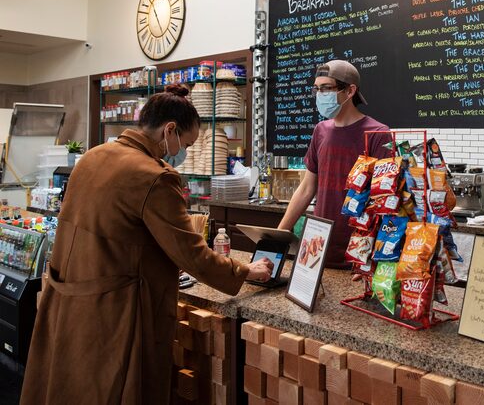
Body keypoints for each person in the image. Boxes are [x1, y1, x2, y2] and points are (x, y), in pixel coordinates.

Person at [20, 85, 273, 405]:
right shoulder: (154, 176)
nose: (180, 151)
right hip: (116, 317)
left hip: (69, 306)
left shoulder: (92, 156)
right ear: (170, 130)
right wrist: (244, 270)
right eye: (186, 142)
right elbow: (192, 255)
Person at [278, 60, 392, 267]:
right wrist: (278, 236)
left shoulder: (378, 134)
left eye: (326, 88)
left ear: (350, 91)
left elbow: (384, 201)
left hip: (359, 251)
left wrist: (378, 257)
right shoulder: (320, 131)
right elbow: (306, 188)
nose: (320, 95)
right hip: (318, 244)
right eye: (317, 89)